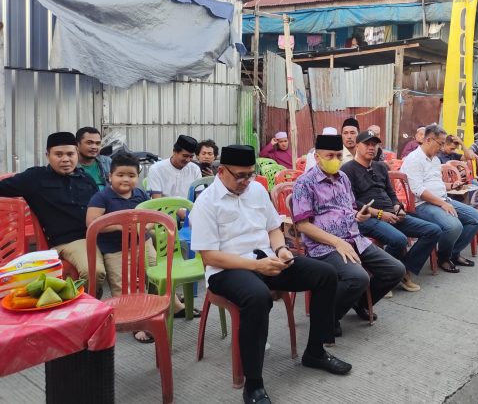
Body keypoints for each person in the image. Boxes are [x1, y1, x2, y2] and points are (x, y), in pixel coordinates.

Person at [191, 145, 351, 404]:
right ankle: (253, 384)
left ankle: (315, 352)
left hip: (266, 259)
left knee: (325, 274)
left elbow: (273, 228)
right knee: (257, 297)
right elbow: (210, 256)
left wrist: (281, 250)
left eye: (250, 175)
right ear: (222, 172)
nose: (246, 181)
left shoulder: (255, 190)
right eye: (240, 175)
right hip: (227, 270)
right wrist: (257, 267)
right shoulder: (206, 202)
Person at [293, 134, 405, 334]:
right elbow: (302, 225)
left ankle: (358, 302)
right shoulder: (305, 183)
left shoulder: (343, 178)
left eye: (338, 155)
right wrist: (337, 242)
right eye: (329, 156)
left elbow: (349, 208)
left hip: (354, 238)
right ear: (317, 157)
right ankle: (329, 316)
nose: (335, 160)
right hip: (324, 245)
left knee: (396, 270)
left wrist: (358, 215)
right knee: (358, 278)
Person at [85, 152, 193, 341]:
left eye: (131, 175)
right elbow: (92, 223)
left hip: (143, 244)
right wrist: (122, 225)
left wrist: (146, 226)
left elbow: (151, 217)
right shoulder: (101, 197)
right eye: (120, 175)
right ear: (110, 176)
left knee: (156, 275)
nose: (126, 179)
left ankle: (171, 307)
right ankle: (136, 323)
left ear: (137, 177)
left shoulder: (140, 195)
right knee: (124, 285)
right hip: (116, 250)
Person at [341, 130, 441, 292]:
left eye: (374, 144)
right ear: (358, 146)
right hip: (367, 217)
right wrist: (380, 214)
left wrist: (397, 208)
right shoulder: (347, 170)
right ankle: (383, 275)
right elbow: (351, 203)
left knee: (433, 230)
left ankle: (403, 271)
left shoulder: (381, 167)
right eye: (367, 144)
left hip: (391, 214)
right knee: (400, 240)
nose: (371, 147)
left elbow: (391, 194)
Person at [0, 132, 101, 288]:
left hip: (98, 234)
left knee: (142, 253)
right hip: (70, 241)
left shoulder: (85, 179)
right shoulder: (34, 178)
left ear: (77, 153)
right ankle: (84, 307)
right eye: (58, 154)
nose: (65, 159)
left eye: (70, 154)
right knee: (94, 271)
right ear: (48, 155)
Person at [400, 124, 478, 273]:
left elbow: (435, 183)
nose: (441, 148)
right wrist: (442, 204)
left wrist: (451, 185)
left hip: (442, 199)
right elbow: (418, 190)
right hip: (422, 204)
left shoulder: (435, 160)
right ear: (428, 140)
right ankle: (444, 258)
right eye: (440, 143)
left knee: (477, 218)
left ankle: (453, 253)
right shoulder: (413, 159)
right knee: (453, 226)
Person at [147, 135, 202, 199]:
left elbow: (200, 198)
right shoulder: (156, 169)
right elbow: (156, 201)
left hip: (189, 208)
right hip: (164, 208)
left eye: (191, 157)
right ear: (174, 152)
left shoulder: (195, 169)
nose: (188, 160)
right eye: (185, 156)